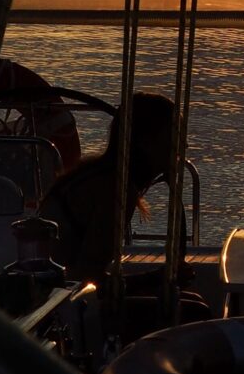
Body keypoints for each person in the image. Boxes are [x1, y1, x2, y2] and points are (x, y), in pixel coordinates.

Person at [39, 91, 189, 284]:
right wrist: (156, 279)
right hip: (59, 299)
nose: (183, 146)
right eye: (174, 136)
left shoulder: (96, 173)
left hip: (54, 288)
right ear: (145, 142)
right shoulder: (115, 191)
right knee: (196, 308)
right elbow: (86, 278)